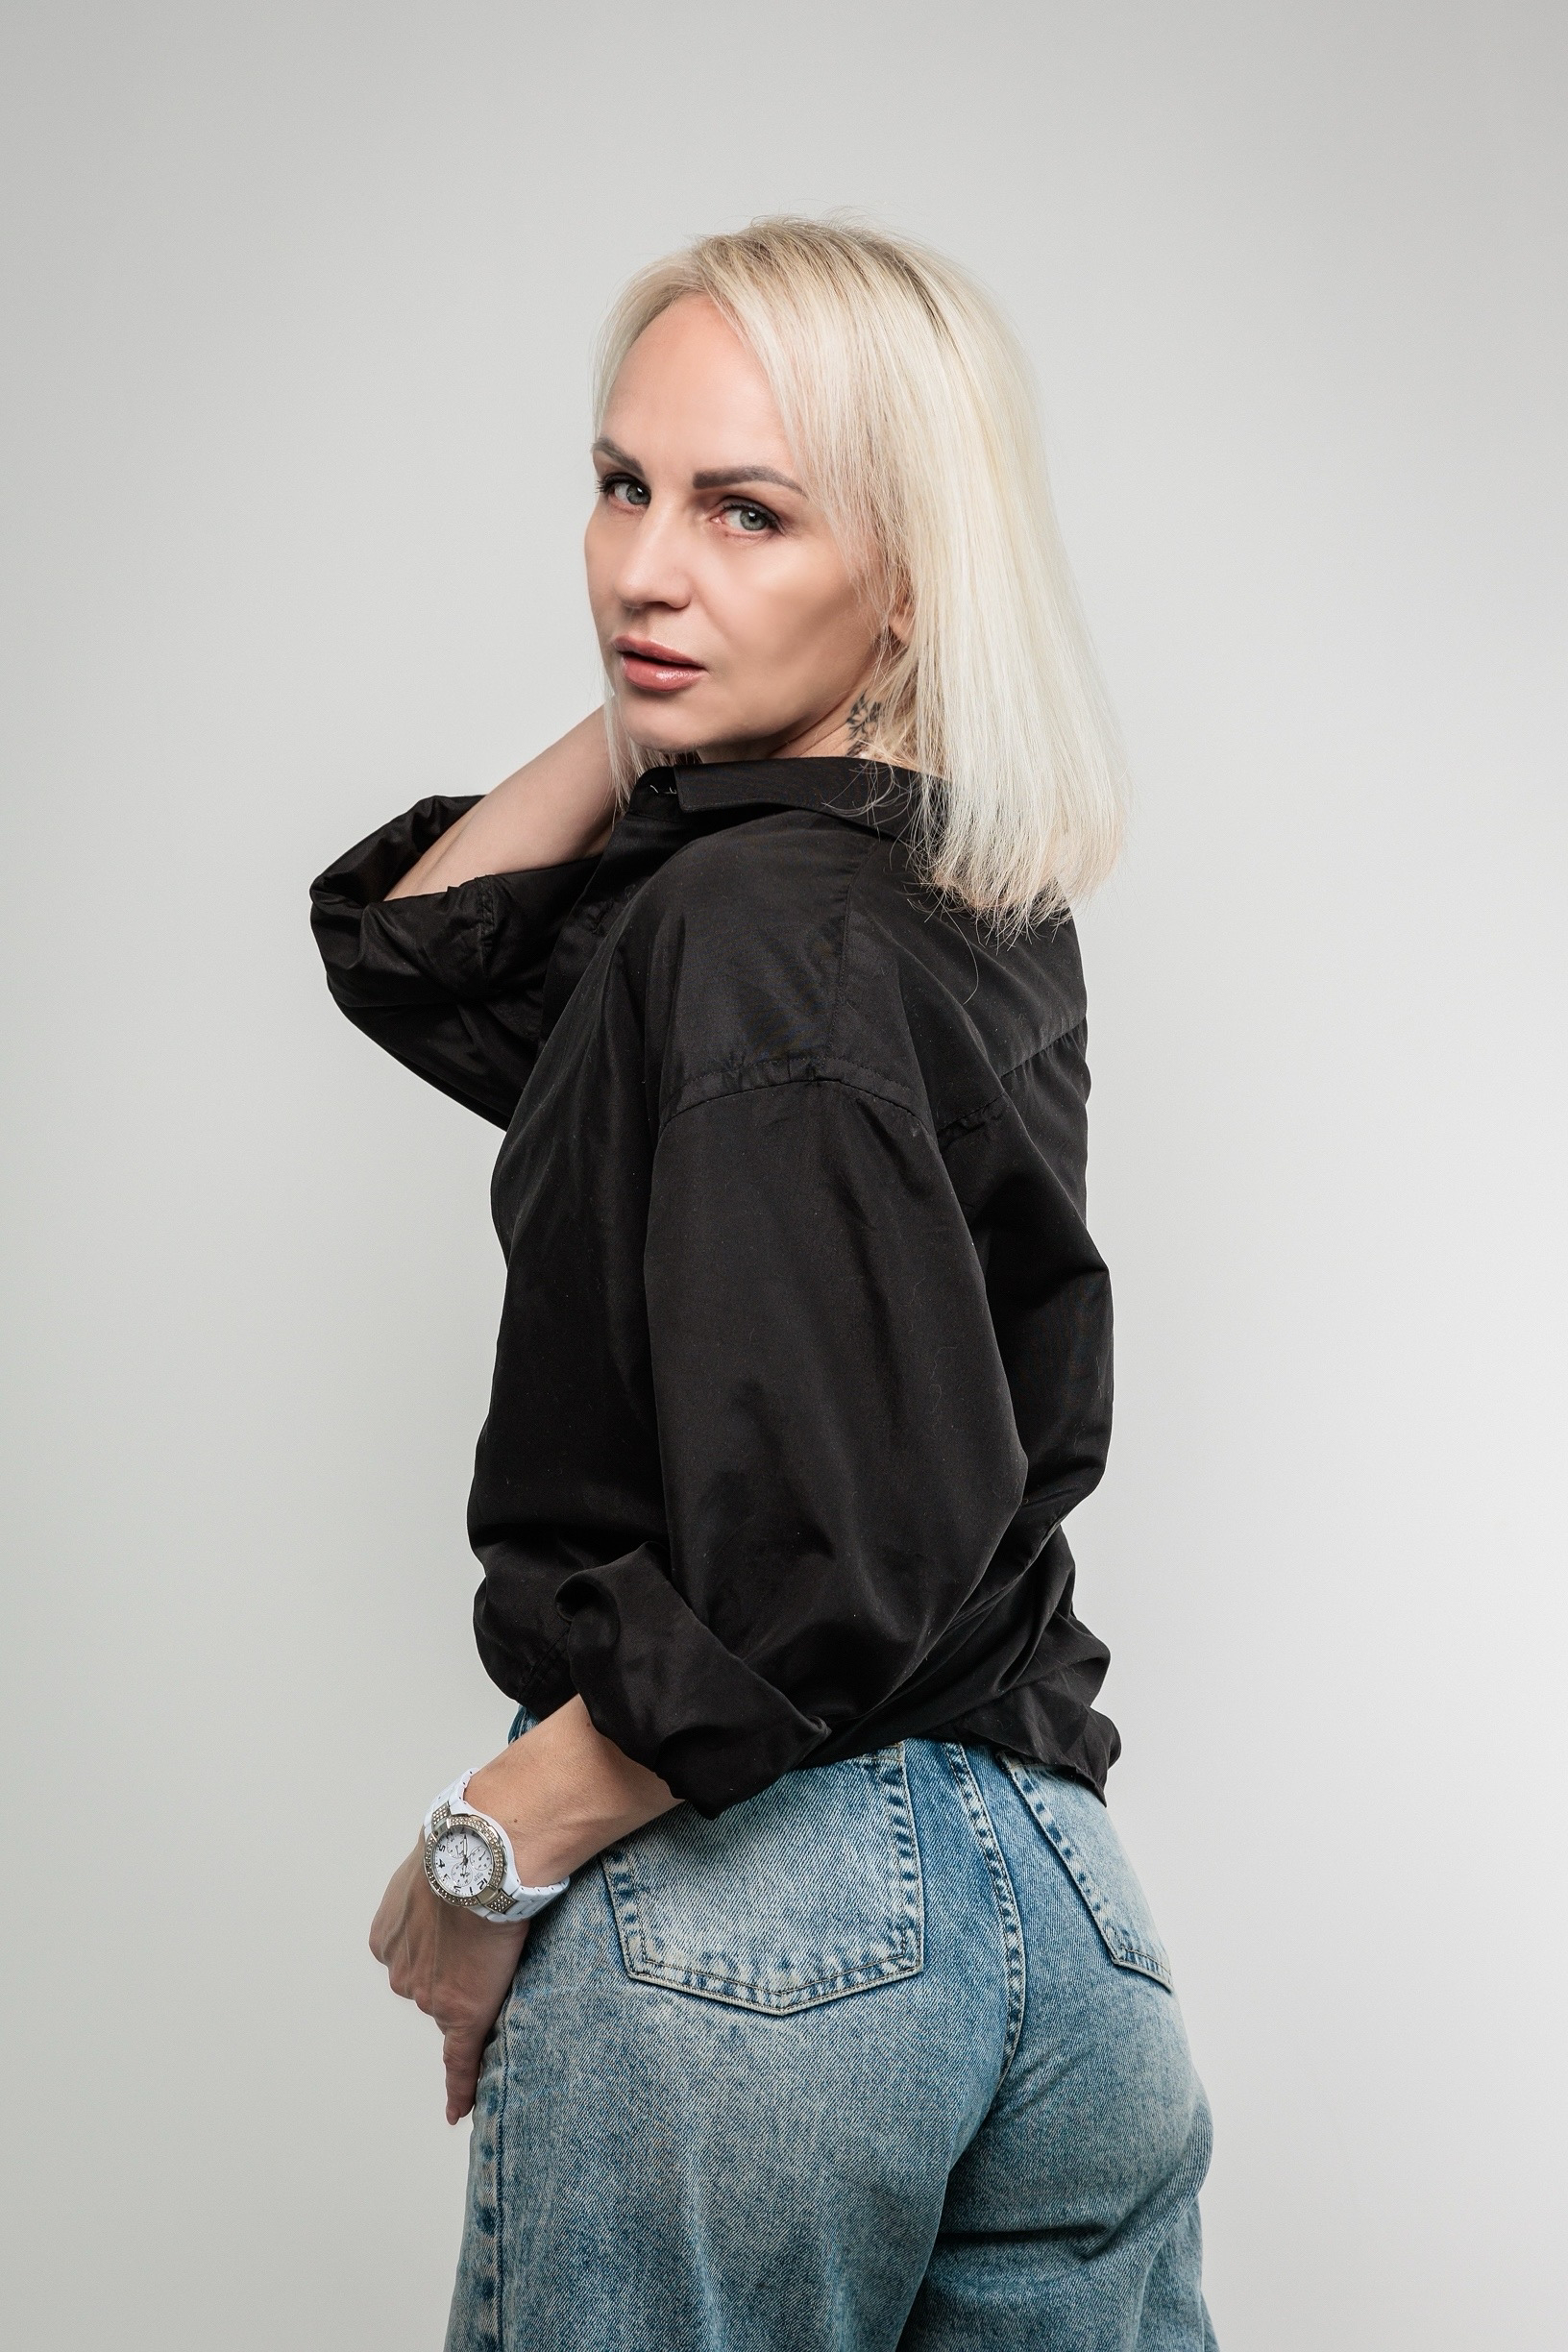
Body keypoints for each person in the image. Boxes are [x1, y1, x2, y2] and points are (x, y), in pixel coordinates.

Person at [310, 215, 1217, 2352]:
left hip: (765, 1916)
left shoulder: (750, 933)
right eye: (622, 487)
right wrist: (684, 679)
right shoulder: (948, 900)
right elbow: (422, 951)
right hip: (1063, 1921)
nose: (643, 568)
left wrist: (497, 1840)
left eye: (748, 511)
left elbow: (827, 1544)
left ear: (912, 571)